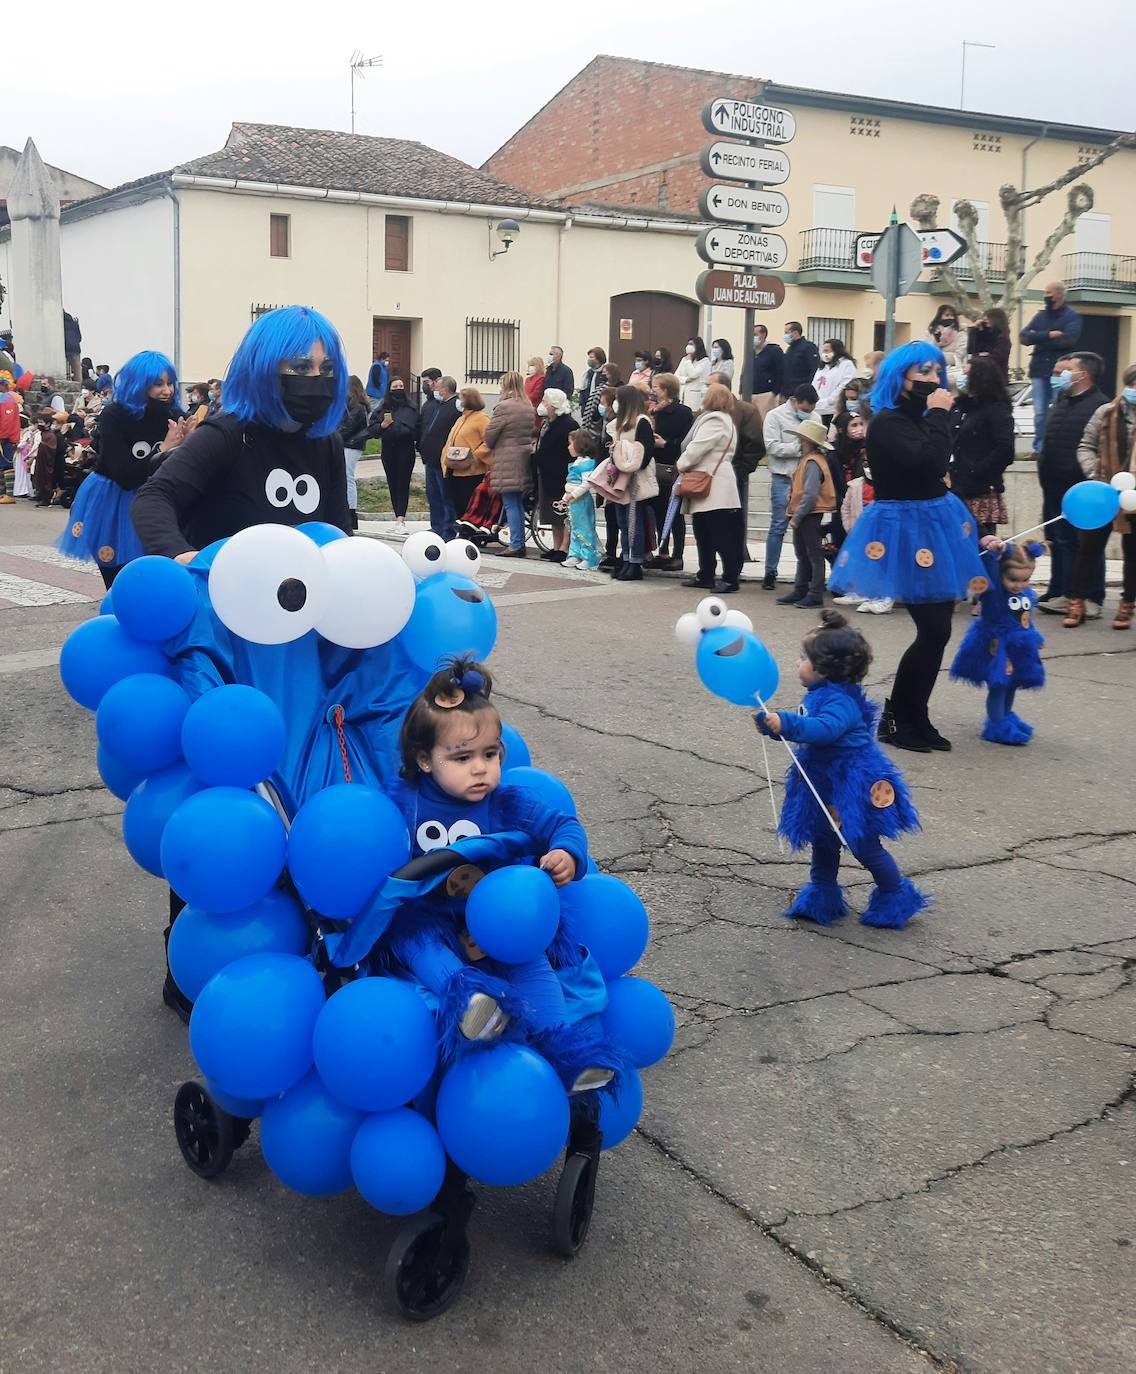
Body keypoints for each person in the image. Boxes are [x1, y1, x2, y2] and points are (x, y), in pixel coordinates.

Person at [387, 654, 615, 1091]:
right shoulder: (401, 803)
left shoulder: (506, 802)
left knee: (530, 957)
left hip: (499, 918)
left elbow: (561, 824)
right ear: (425, 761)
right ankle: (472, 1004)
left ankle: (561, 1048)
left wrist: (567, 852)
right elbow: (369, 842)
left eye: (490, 754)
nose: (480, 767)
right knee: (418, 943)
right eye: (462, 757)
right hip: (431, 916)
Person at [828, 340, 986, 753]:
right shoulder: (888, 422)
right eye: (925, 373)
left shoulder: (922, 417)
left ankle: (915, 715)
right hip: (906, 530)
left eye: (938, 372)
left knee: (938, 632)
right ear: (900, 377)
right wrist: (938, 414)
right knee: (933, 630)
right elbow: (928, 463)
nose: (934, 380)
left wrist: (937, 417)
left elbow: (940, 463)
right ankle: (898, 718)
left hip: (936, 522)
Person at [132, 305, 351, 567]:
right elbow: (154, 497)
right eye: (301, 367)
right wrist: (181, 554)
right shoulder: (226, 434)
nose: (316, 378)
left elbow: (339, 534)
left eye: (326, 369)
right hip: (226, 598)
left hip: (298, 597)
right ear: (262, 369)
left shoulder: (327, 443)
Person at [755, 611, 927, 929]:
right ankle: (823, 894)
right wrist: (773, 727)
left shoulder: (840, 701)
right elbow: (808, 728)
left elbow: (824, 729)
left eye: (803, 657)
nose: (797, 662)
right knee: (824, 839)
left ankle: (894, 893)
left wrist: (788, 723)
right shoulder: (822, 693)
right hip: (824, 778)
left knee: (862, 844)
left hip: (851, 781)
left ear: (826, 668)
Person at [58, 350, 188, 586]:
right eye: (158, 384)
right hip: (113, 501)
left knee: (158, 577)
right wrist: (164, 450)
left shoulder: (175, 414)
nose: (167, 391)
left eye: (170, 383)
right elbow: (125, 475)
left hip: (159, 499)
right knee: (120, 578)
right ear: (139, 384)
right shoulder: (115, 416)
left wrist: (190, 444)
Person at [1035, 351, 1109, 618]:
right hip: (1054, 485)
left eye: (1061, 372)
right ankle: (1062, 592)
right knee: (1060, 540)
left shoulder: (1101, 406)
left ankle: (1091, 596)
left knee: (1087, 543)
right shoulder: (1062, 400)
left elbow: (1099, 449)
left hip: (1082, 488)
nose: (1056, 377)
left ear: (1082, 375)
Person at [951, 538, 1046, 743]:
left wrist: (1036, 635)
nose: (1019, 585)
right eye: (1013, 579)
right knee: (999, 685)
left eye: (1025, 579)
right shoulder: (993, 595)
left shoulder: (1026, 594)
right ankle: (996, 725)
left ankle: (1005, 716)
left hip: (1018, 647)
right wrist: (993, 556)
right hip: (998, 646)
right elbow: (989, 573)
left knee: (1012, 684)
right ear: (1001, 574)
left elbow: (1025, 618)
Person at [1063, 363, 1136, 629]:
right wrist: (1096, 474)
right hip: (1103, 491)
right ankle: (1077, 601)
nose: (1134, 390)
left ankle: (1127, 604)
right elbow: (1086, 446)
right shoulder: (1105, 412)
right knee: (1089, 547)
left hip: (1135, 496)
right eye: (1131, 384)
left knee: (1133, 551)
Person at [677, 383, 742, 592]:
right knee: (706, 531)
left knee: (716, 533)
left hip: (712, 482)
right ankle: (707, 573)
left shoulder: (714, 420)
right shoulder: (726, 420)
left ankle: (727, 577)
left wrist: (682, 463)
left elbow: (697, 448)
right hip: (715, 480)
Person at [775, 417, 837, 609]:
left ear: (807, 441)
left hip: (809, 513)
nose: (799, 442)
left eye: (801, 439)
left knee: (813, 554)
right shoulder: (810, 460)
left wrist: (798, 516)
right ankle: (802, 589)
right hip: (806, 512)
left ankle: (814, 593)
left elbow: (810, 494)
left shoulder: (812, 462)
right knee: (803, 553)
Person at [949, 356, 1015, 536]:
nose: (962, 379)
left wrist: (976, 471)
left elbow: (1005, 449)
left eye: (967, 375)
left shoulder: (996, 410)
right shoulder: (960, 408)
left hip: (980, 489)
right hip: (956, 485)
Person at [762, 384, 818, 589]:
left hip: (807, 479)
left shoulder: (815, 417)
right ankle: (770, 571)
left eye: (810, 411)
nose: (807, 414)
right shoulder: (775, 416)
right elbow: (772, 446)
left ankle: (804, 574)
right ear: (794, 402)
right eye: (804, 410)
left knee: (806, 528)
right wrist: (799, 448)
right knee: (778, 525)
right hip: (783, 477)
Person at [1021, 281, 1082, 454]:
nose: (1045, 295)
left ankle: (1055, 447)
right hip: (1038, 369)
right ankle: (1039, 449)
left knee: (1058, 410)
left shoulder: (1072, 317)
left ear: (1058, 294)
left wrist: (1038, 338)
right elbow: (1023, 337)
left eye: (1048, 292)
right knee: (1039, 412)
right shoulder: (1040, 316)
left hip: (1059, 371)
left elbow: (1069, 340)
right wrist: (1049, 335)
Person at [606, 384, 657, 580]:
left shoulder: (642, 421)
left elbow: (645, 450)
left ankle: (635, 562)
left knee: (633, 522)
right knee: (622, 522)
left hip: (634, 478)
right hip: (620, 478)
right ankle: (626, 558)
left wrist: (629, 464)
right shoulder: (622, 422)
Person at [484, 371, 537, 558]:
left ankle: (516, 544)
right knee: (517, 502)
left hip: (507, 457)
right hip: (523, 456)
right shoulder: (528, 405)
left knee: (510, 502)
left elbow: (490, 436)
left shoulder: (503, 407)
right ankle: (519, 541)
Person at [645, 372, 692, 571]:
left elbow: (686, 441)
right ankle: (662, 552)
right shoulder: (652, 411)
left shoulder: (682, 412)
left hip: (672, 465)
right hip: (653, 466)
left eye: (656, 386)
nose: (652, 390)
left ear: (666, 389)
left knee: (675, 512)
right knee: (658, 510)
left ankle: (678, 555)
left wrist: (666, 444)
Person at [372, 376, 420, 537]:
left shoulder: (411, 407)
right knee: (392, 484)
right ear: (390, 390)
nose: (398, 388)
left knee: (402, 483)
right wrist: (382, 426)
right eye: (395, 386)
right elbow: (372, 429)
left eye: (401, 385)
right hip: (388, 450)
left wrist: (404, 430)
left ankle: (401, 519)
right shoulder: (382, 407)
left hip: (405, 450)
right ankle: (396, 518)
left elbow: (417, 428)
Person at [534, 387, 576, 562]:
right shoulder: (548, 422)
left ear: (554, 404)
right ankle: (557, 546)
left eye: (545, 401)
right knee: (553, 513)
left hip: (561, 475)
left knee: (562, 513)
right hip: (548, 474)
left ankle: (564, 548)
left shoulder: (568, 424)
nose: (542, 404)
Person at [443, 386, 493, 531]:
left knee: (468, 504)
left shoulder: (482, 419)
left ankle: (471, 532)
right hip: (455, 469)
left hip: (472, 472)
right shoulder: (461, 418)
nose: (458, 401)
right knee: (457, 503)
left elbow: (489, 441)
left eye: (461, 399)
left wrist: (476, 455)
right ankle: (460, 530)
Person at [418, 375, 460, 539]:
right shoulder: (437, 405)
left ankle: (448, 530)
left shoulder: (455, 406)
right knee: (433, 496)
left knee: (445, 497)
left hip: (443, 460)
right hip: (431, 459)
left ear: (445, 389)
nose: (434, 390)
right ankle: (436, 527)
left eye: (437, 387)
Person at [560, 428, 602, 570]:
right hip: (573, 501)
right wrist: (565, 497)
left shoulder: (587, 463)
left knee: (584, 528)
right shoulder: (578, 462)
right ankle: (574, 554)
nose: (568, 447)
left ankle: (589, 556)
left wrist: (573, 494)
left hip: (581, 501)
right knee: (573, 527)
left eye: (571, 443)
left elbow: (587, 483)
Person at [338, 374, 370, 530]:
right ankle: (348, 511)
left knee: (348, 477)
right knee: (346, 478)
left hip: (351, 445)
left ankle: (351, 513)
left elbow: (347, 427)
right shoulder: (352, 405)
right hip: (349, 444)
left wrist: (334, 437)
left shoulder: (358, 408)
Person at [811, 338, 857, 425]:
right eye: (823, 351)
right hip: (817, 408)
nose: (824, 354)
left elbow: (844, 385)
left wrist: (830, 400)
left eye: (827, 350)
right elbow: (814, 383)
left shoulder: (846, 364)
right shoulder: (823, 366)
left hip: (832, 409)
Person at [751, 323, 784, 419]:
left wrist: (774, 392)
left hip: (766, 394)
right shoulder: (751, 351)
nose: (753, 337)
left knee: (764, 420)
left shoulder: (774, 350)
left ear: (763, 335)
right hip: (751, 393)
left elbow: (780, 372)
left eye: (755, 334)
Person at [967, 308, 1011, 381]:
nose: (986, 320)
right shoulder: (985, 333)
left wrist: (983, 355)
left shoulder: (1003, 337)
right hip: (980, 375)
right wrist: (974, 330)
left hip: (996, 377)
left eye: (989, 318)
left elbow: (997, 356)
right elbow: (971, 349)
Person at [781, 322, 820, 398]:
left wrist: (807, 389)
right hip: (788, 392)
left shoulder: (808, 347)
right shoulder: (790, 349)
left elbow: (814, 369)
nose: (785, 335)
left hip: (801, 392)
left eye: (786, 333)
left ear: (795, 333)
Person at [676, 336, 711, 413]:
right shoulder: (684, 359)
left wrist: (688, 361)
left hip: (695, 397)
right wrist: (686, 379)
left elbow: (693, 374)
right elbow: (676, 376)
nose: (689, 346)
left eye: (691, 344)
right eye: (688, 344)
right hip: (683, 395)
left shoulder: (704, 361)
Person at [928, 304, 966, 376]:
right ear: (940, 317)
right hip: (933, 371)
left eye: (952, 315)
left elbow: (960, 355)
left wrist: (938, 356)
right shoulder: (932, 332)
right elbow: (928, 350)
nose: (950, 318)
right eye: (947, 315)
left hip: (952, 371)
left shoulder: (961, 333)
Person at [0, 376, 18, 504]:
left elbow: (6, 422)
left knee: (7, 465)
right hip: (3, 437)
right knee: (1, 466)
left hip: (6, 438)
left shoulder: (7, 400)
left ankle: (9, 494)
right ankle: (2, 493)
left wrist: (2, 436)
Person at [578, 347, 606, 419]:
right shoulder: (588, 373)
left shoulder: (605, 373)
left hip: (599, 408)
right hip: (587, 409)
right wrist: (582, 405)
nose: (589, 359)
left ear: (598, 359)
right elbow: (583, 390)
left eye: (591, 357)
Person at [524, 354, 548, 431]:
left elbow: (536, 394)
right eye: (529, 365)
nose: (530, 367)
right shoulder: (528, 379)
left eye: (532, 365)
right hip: (526, 408)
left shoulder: (541, 378)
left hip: (536, 409)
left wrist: (524, 399)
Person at [63, 310, 82, 382]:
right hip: (76, 349)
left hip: (66, 348)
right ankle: (78, 387)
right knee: (77, 371)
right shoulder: (74, 324)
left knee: (66, 370)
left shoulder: (60, 323)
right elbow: (79, 338)